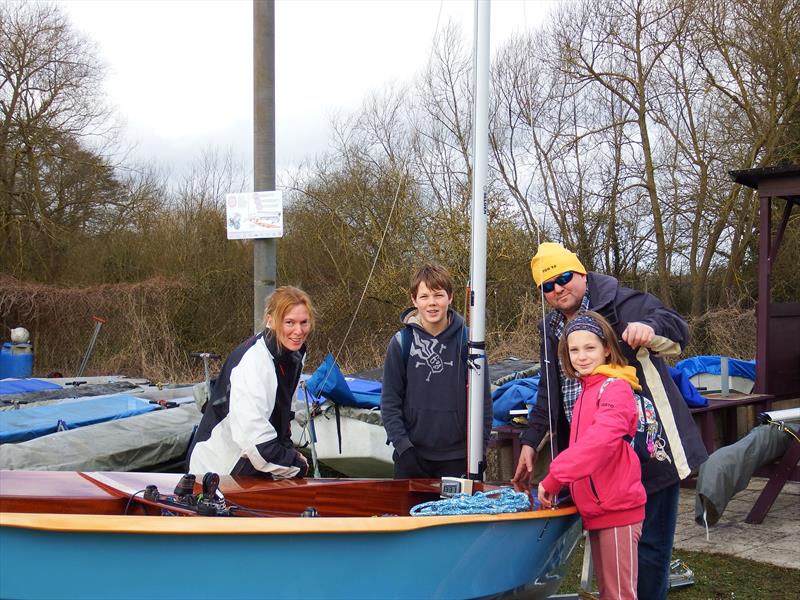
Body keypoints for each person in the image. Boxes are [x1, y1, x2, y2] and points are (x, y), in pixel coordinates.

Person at [512, 242, 708, 600]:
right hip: (597, 464)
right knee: (611, 560)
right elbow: (548, 390)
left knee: (650, 552)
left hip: (650, 451)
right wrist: (530, 439)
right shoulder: (549, 327)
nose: (558, 289)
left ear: (581, 273)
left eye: (564, 277)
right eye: (547, 286)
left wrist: (649, 328)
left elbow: (677, 328)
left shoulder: (623, 302)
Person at [539, 311, 646, 599]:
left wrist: (555, 477)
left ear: (607, 349)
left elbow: (598, 444)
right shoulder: (589, 387)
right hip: (598, 510)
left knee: (619, 595)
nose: (581, 356)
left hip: (617, 510)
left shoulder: (615, 389)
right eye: (574, 350)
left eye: (590, 348)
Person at [187, 286, 313, 478]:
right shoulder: (253, 363)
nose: (299, 331)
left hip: (253, 464)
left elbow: (285, 413)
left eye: (304, 322)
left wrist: (288, 450)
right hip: (219, 469)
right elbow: (257, 444)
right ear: (270, 321)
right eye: (289, 323)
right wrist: (296, 465)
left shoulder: (293, 354)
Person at [380, 263, 491, 479]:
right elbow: (389, 402)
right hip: (412, 456)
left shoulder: (470, 342)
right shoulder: (401, 343)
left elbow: (483, 403)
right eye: (424, 296)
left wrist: (481, 449)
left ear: (450, 297)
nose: (432, 303)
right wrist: (404, 448)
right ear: (414, 300)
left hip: (458, 459)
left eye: (438, 295)